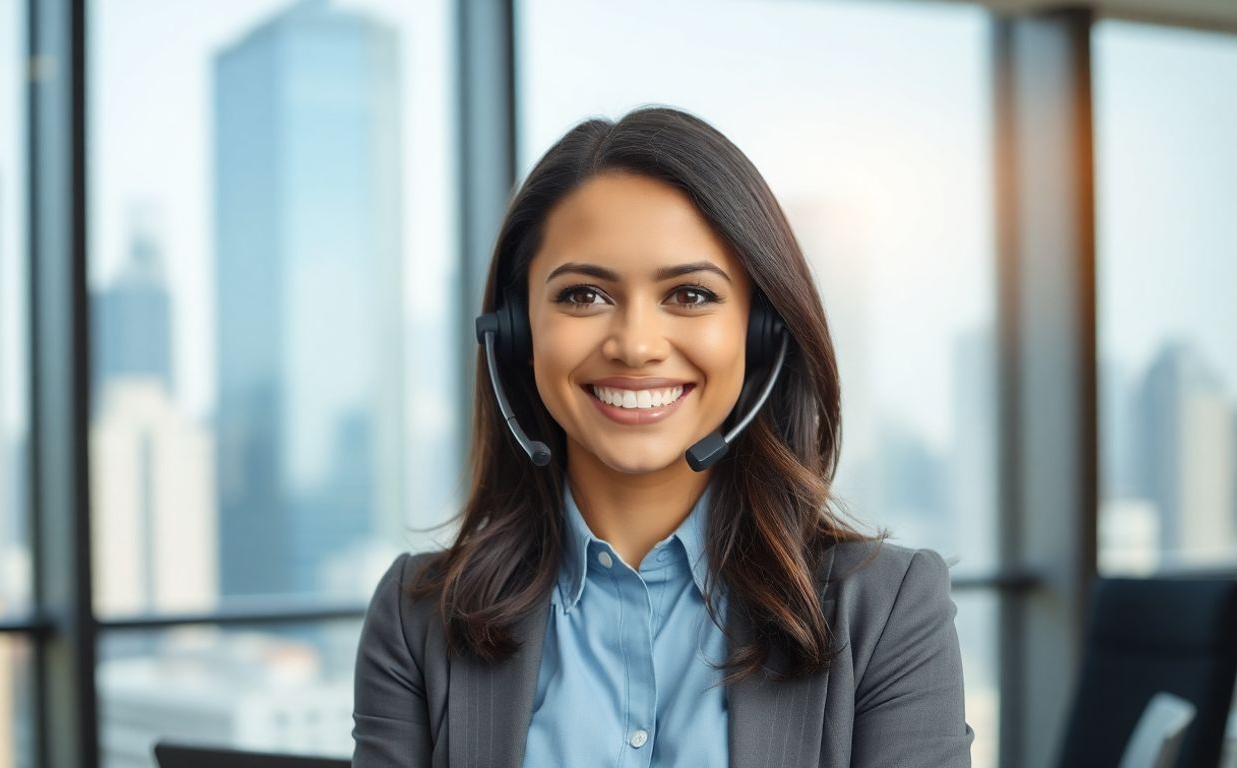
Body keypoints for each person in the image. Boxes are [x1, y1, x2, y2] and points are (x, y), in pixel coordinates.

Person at [351, 106, 974, 767]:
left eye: (691, 295)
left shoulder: (886, 611)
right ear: (515, 333)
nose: (637, 345)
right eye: (584, 295)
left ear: (760, 332)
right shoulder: (416, 617)